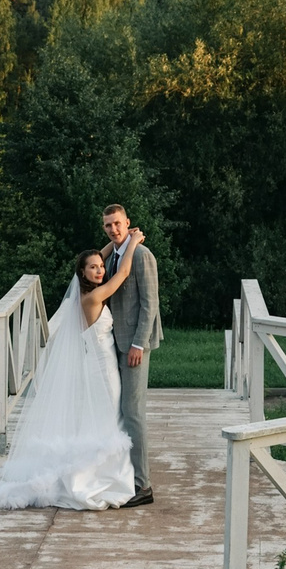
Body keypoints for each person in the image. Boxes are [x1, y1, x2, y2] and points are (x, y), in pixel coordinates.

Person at [0, 227, 146, 511]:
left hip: (100, 365)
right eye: (93, 268)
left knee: (107, 418)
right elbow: (121, 275)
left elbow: (98, 261)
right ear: (82, 274)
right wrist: (132, 243)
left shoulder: (87, 292)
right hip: (103, 369)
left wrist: (109, 245)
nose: (99, 271)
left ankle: (112, 471)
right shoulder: (92, 299)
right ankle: (106, 477)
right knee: (113, 418)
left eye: (100, 266)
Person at [98, 203, 162, 506]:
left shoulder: (141, 255)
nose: (114, 229)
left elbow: (150, 304)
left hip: (135, 344)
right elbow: (98, 258)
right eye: (108, 225)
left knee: (133, 411)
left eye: (118, 224)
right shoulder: (114, 254)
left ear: (128, 223)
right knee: (121, 409)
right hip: (117, 341)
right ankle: (126, 474)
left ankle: (143, 486)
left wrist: (139, 344)